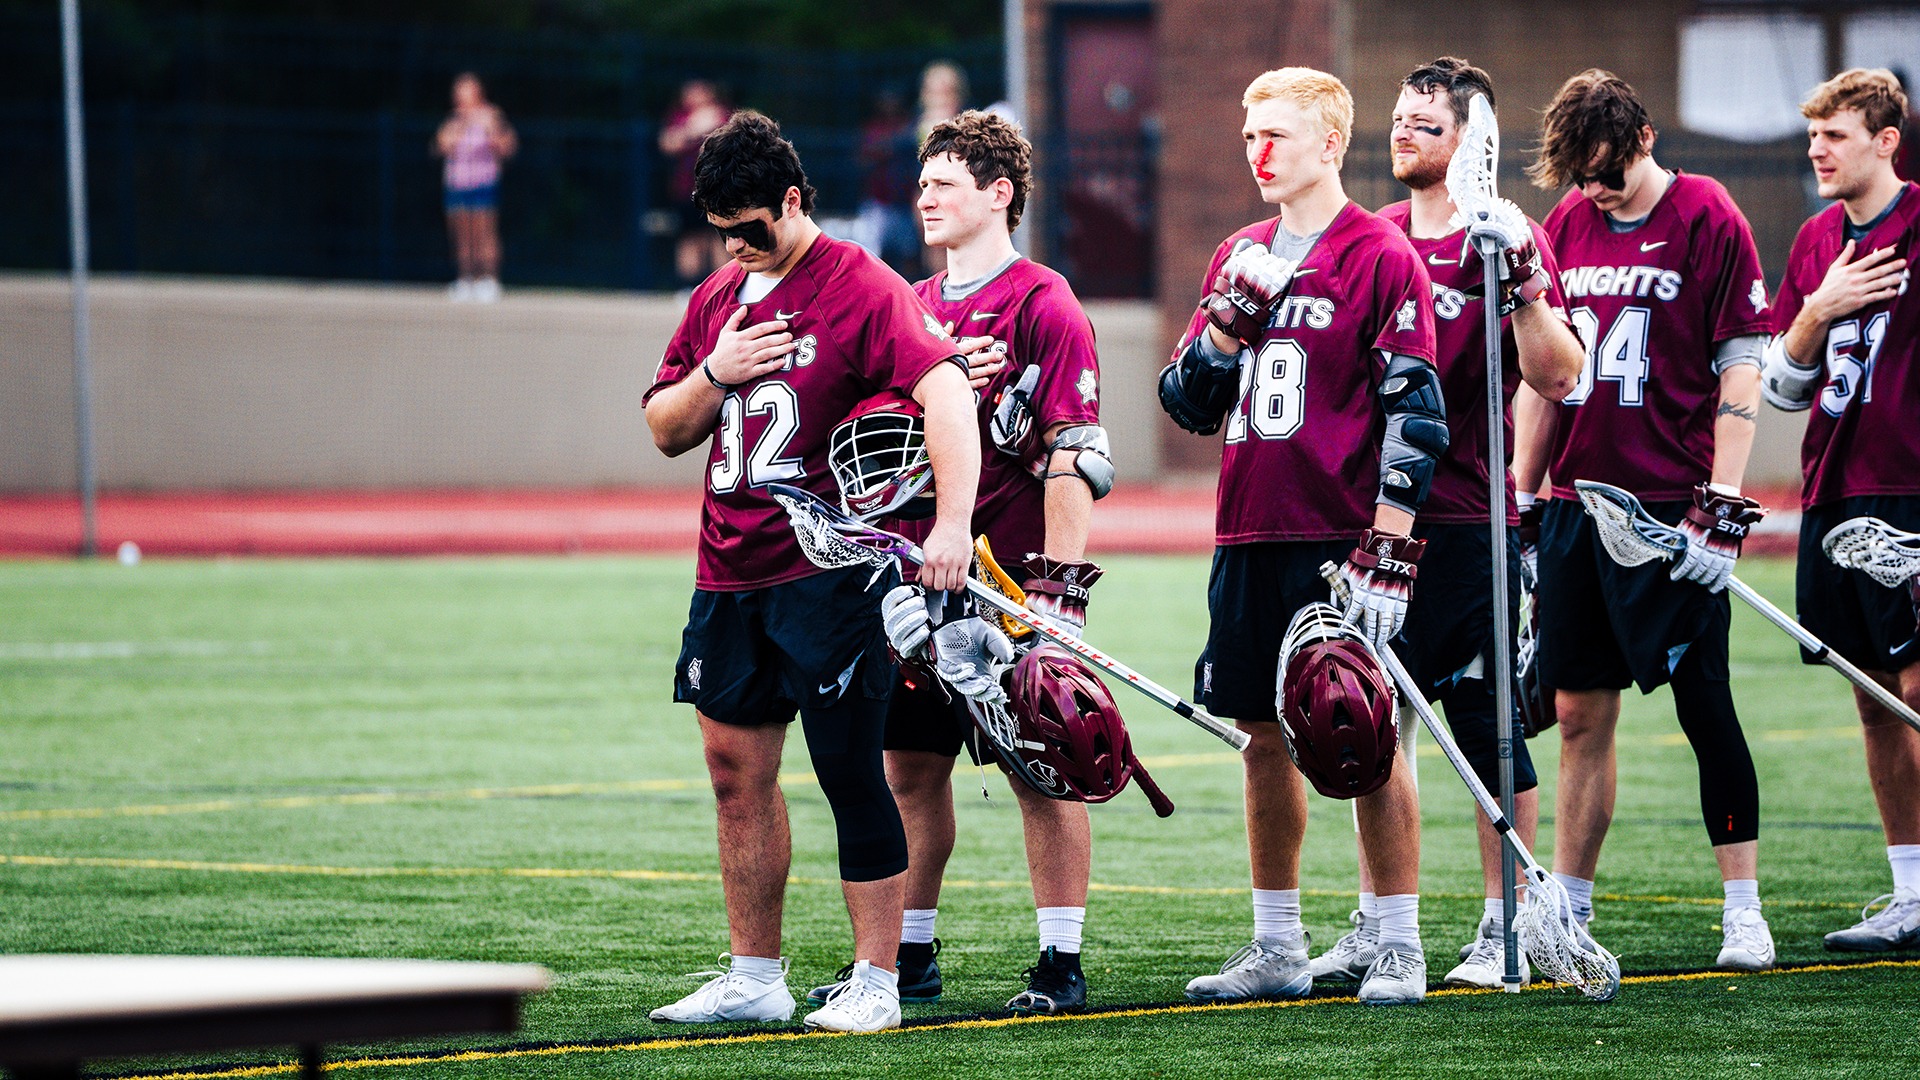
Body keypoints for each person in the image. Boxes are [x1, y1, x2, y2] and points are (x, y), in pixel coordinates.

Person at [641, 111, 980, 1033]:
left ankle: (877, 979)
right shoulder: (718, 298)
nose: (734, 245)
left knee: (848, 770)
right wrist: (715, 371)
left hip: (829, 572)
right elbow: (667, 426)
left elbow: (945, 388)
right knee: (731, 773)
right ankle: (755, 973)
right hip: (728, 572)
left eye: (748, 226)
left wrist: (952, 525)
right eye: (719, 228)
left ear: (792, 201)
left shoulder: (860, 284)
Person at [807, 109, 1112, 1016]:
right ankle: (911, 951)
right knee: (910, 769)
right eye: (923, 182)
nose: (923, 197)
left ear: (999, 193)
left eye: (943, 183)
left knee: (1038, 766)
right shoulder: (910, 303)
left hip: (1009, 580)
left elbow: (1079, 453)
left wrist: (1058, 594)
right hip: (917, 583)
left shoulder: (1043, 301)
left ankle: (1061, 962)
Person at [1162, 67, 1443, 1006]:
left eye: (1277, 135)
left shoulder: (1379, 253)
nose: (1259, 153)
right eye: (1249, 138)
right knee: (1260, 737)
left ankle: (1397, 940)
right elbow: (1187, 406)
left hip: (1334, 534)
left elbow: (1417, 415)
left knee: (1360, 727)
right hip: (1246, 527)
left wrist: (1390, 548)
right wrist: (1220, 336)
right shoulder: (1237, 251)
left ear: (1330, 144)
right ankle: (1277, 943)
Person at [1310, 57, 1584, 991]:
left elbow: (1559, 377)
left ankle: (1500, 920)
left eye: (1426, 123)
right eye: (1399, 118)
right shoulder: (1374, 238)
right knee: (1367, 723)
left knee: (1481, 727)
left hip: (1469, 516)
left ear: (1471, 140)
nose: (1403, 134)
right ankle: (1379, 919)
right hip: (1372, 523)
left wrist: (1525, 283)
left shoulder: (1500, 239)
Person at [1520, 69, 1776, 970]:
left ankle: (1742, 906)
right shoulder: (1564, 227)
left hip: (1670, 508)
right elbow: (1545, 375)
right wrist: (1522, 490)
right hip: (1578, 506)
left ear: (1647, 140)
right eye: (1581, 176)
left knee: (1707, 705)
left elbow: (1740, 366)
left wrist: (1723, 502)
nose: (1595, 191)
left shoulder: (1708, 215)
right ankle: (1573, 908)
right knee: (1579, 713)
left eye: (1608, 172)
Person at [1761, 67, 1920, 951]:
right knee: (1871, 698)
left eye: (1836, 135)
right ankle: (1910, 893)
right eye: (1812, 135)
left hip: (1910, 487)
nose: (1817, 150)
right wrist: (1818, 312)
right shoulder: (1819, 238)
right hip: (1833, 485)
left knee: (1918, 685)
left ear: (1885, 140)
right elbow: (1783, 388)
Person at [435, 73, 516, 302]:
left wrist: (491, 132)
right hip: (458, 182)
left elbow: (507, 146)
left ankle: (489, 279)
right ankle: (466, 278)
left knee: (484, 232)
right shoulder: (453, 120)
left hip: (482, 181)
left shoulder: (491, 116)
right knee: (462, 234)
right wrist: (457, 128)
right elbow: (441, 146)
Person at [660, 80, 735, 291]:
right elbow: (668, 144)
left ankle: (724, 287)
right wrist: (692, 129)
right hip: (687, 189)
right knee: (689, 238)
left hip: (718, 188)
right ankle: (688, 287)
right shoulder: (679, 117)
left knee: (720, 238)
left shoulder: (723, 115)